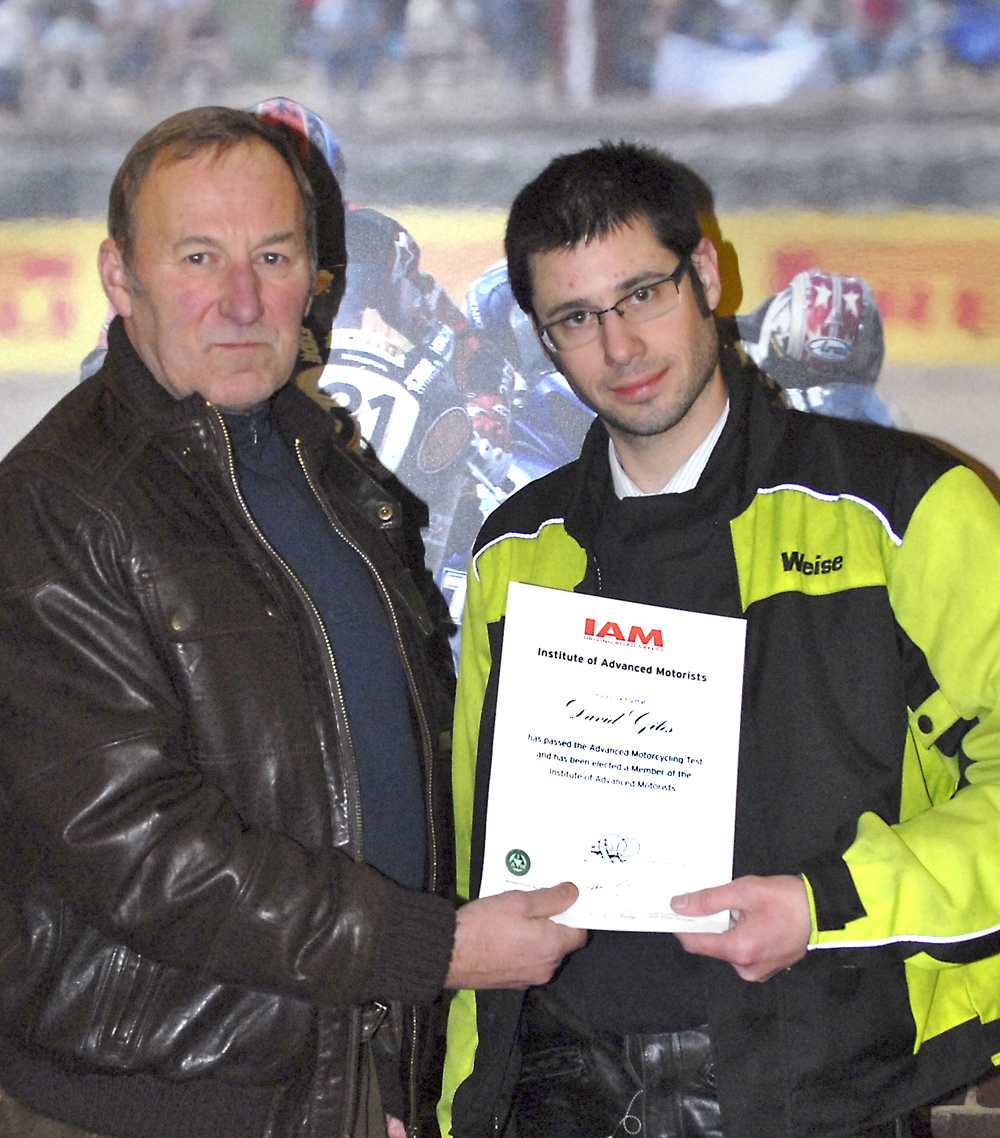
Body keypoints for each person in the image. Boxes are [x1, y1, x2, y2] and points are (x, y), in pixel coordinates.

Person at [0, 106, 584, 1138]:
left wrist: (385, 1071)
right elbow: (135, 846)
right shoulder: (61, 499)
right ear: (119, 276)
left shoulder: (328, 472)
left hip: (332, 1073)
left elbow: (382, 773)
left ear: (315, 273)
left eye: (272, 256)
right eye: (198, 257)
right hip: (151, 1103)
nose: (242, 299)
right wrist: (438, 952)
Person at [439, 141, 1000, 1138]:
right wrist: (456, 1105)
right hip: (559, 1098)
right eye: (576, 318)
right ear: (545, 339)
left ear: (705, 274)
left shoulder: (905, 508)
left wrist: (827, 903)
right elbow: (477, 859)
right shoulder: (515, 549)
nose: (620, 347)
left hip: (823, 1090)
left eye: (642, 294)